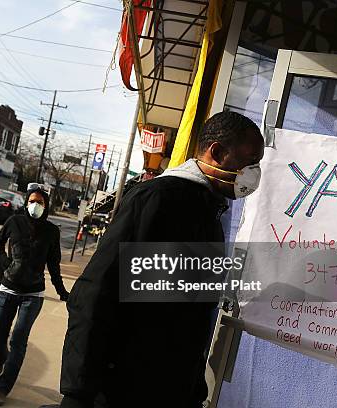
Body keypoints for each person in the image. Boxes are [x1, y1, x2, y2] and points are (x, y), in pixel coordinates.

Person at [53, 112, 265, 408]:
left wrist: (193, 390)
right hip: (122, 392)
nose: (253, 173)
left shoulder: (210, 213)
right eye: (249, 161)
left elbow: (188, 319)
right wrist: (77, 393)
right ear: (217, 152)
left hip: (166, 391)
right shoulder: (158, 199)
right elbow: (97, 293)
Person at [0, 184, 70, 406]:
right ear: (26, 202)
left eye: (40, 202)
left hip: (33, 295)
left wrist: (63, 292)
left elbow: (54, 265)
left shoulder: (51, 231)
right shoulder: (13, 222)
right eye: (32, 201)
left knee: (18, 341)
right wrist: (6, 264)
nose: (36, 205)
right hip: (7, 289)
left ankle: (2, 388)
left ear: (46, 206)